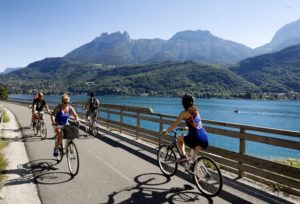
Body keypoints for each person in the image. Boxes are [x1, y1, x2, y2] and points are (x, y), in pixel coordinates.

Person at [163, 94, 208, 169]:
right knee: (193, 156)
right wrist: (188, 127)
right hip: (204, 136)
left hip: (196, 137)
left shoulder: (184, 113)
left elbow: (174, 125)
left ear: (184, 103)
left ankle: (183, 156)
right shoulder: (196, 111)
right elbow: (197, 124)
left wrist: (166, 131)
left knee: (179, 138)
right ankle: (196, 174)